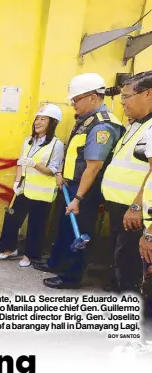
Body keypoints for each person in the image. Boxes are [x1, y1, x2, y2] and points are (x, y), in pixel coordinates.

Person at [35, 72, 123, 289]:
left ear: (92, 97)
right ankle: (56, 263)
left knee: (79, 232)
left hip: (86, 189)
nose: (73, 103)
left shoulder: (102, 125)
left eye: (76, 99)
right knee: (64, 227)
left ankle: (71, 276)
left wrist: (78, 198)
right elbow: (77, 154)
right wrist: (62, 175)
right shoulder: (87, 120)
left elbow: (94, 167)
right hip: (72, 183)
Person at [0, 104, 65, 267]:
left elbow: (53, 170)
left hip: (42, 192)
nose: (38, 122)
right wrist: (17, 181)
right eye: (37, 119)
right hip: (24, 189)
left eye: (43, 119)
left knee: (36, 225)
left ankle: (29, 255)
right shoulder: (28, 140)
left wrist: (34, 165)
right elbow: (20, 162)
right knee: (12, 218)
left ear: (52, 123)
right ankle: (8, 248)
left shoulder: (56, 145)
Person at [101, 71, 152, 293]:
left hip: (134, 211)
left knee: (129, 263)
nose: (122, 102)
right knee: (120, 259)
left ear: (148, 93)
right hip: (120, 206)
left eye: (127, 96)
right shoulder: (137, 124)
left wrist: (136, 206)